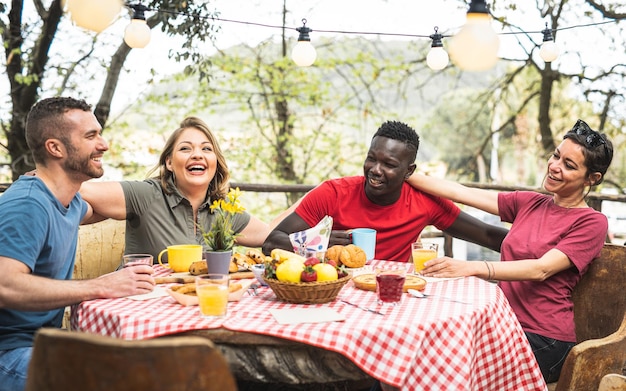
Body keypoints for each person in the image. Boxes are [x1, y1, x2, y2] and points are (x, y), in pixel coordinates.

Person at [406, 119, 613, 383]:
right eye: (556, 156)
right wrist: (401, 172)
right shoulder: (530, 203)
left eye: (569, 165)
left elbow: (541, 268)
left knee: (445, 368)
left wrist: (473, 267)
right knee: (423, 353)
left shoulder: (592, 222)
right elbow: (461, 192)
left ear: (592, 179)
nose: (555, 167)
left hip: (545, 339)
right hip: (501, 323)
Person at [0, 97, 155, 391]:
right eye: (90, 136)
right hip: (10, 354)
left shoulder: (69, 202)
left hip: (46, 344)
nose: (104, 144)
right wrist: (101, 285)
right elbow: (4, 286)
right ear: (55, 148)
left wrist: (151, 205)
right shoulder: (27, 205)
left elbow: (90, 211)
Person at [262, 120, 508, 261]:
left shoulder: (425, 202)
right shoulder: (333, 193)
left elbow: (487, 235)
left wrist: (543, 250)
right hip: (335, 294)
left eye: (389, 164)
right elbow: (271, 241)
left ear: (409, 171)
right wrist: (318, 244)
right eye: (371, 159)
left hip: (391, 300)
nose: (375, 170)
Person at [80, 116, 272, 260]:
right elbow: (80, 191)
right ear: (169, 162)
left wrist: (303, 202)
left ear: (216, 161)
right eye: (185, 148)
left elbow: (271, 234)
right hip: (142, 303)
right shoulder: (146, 195)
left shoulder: (225, 209)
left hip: (198, 305)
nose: (197, 155)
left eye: (206, 149)